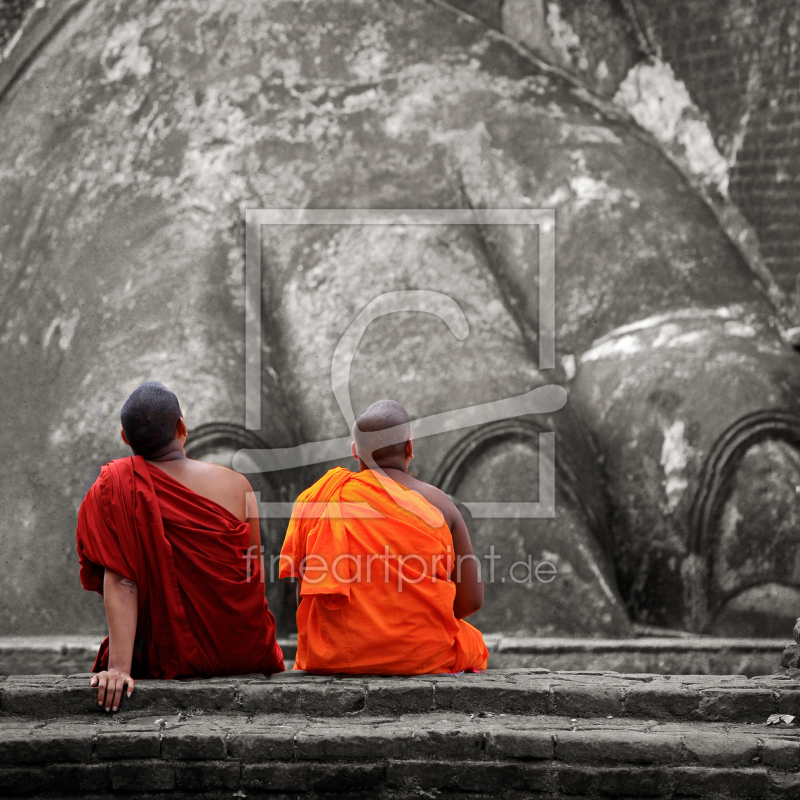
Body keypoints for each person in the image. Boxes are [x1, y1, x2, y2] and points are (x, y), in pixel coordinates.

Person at [76, 382, 284, 713]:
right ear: (182, 427)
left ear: (125, 438)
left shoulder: (113, 489)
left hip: (163, 653)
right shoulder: (237, 484)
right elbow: (252, 569)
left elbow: (121, 580)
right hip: (242, 650)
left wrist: (118, 668)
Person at [280, 399, 488, 674]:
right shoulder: (440, 504)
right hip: (420, 653)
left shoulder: (319, 499)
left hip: (333, 656)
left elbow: (303, 596)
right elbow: (471, 600)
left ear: (355, 452)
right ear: (409, 447)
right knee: (473, 645)